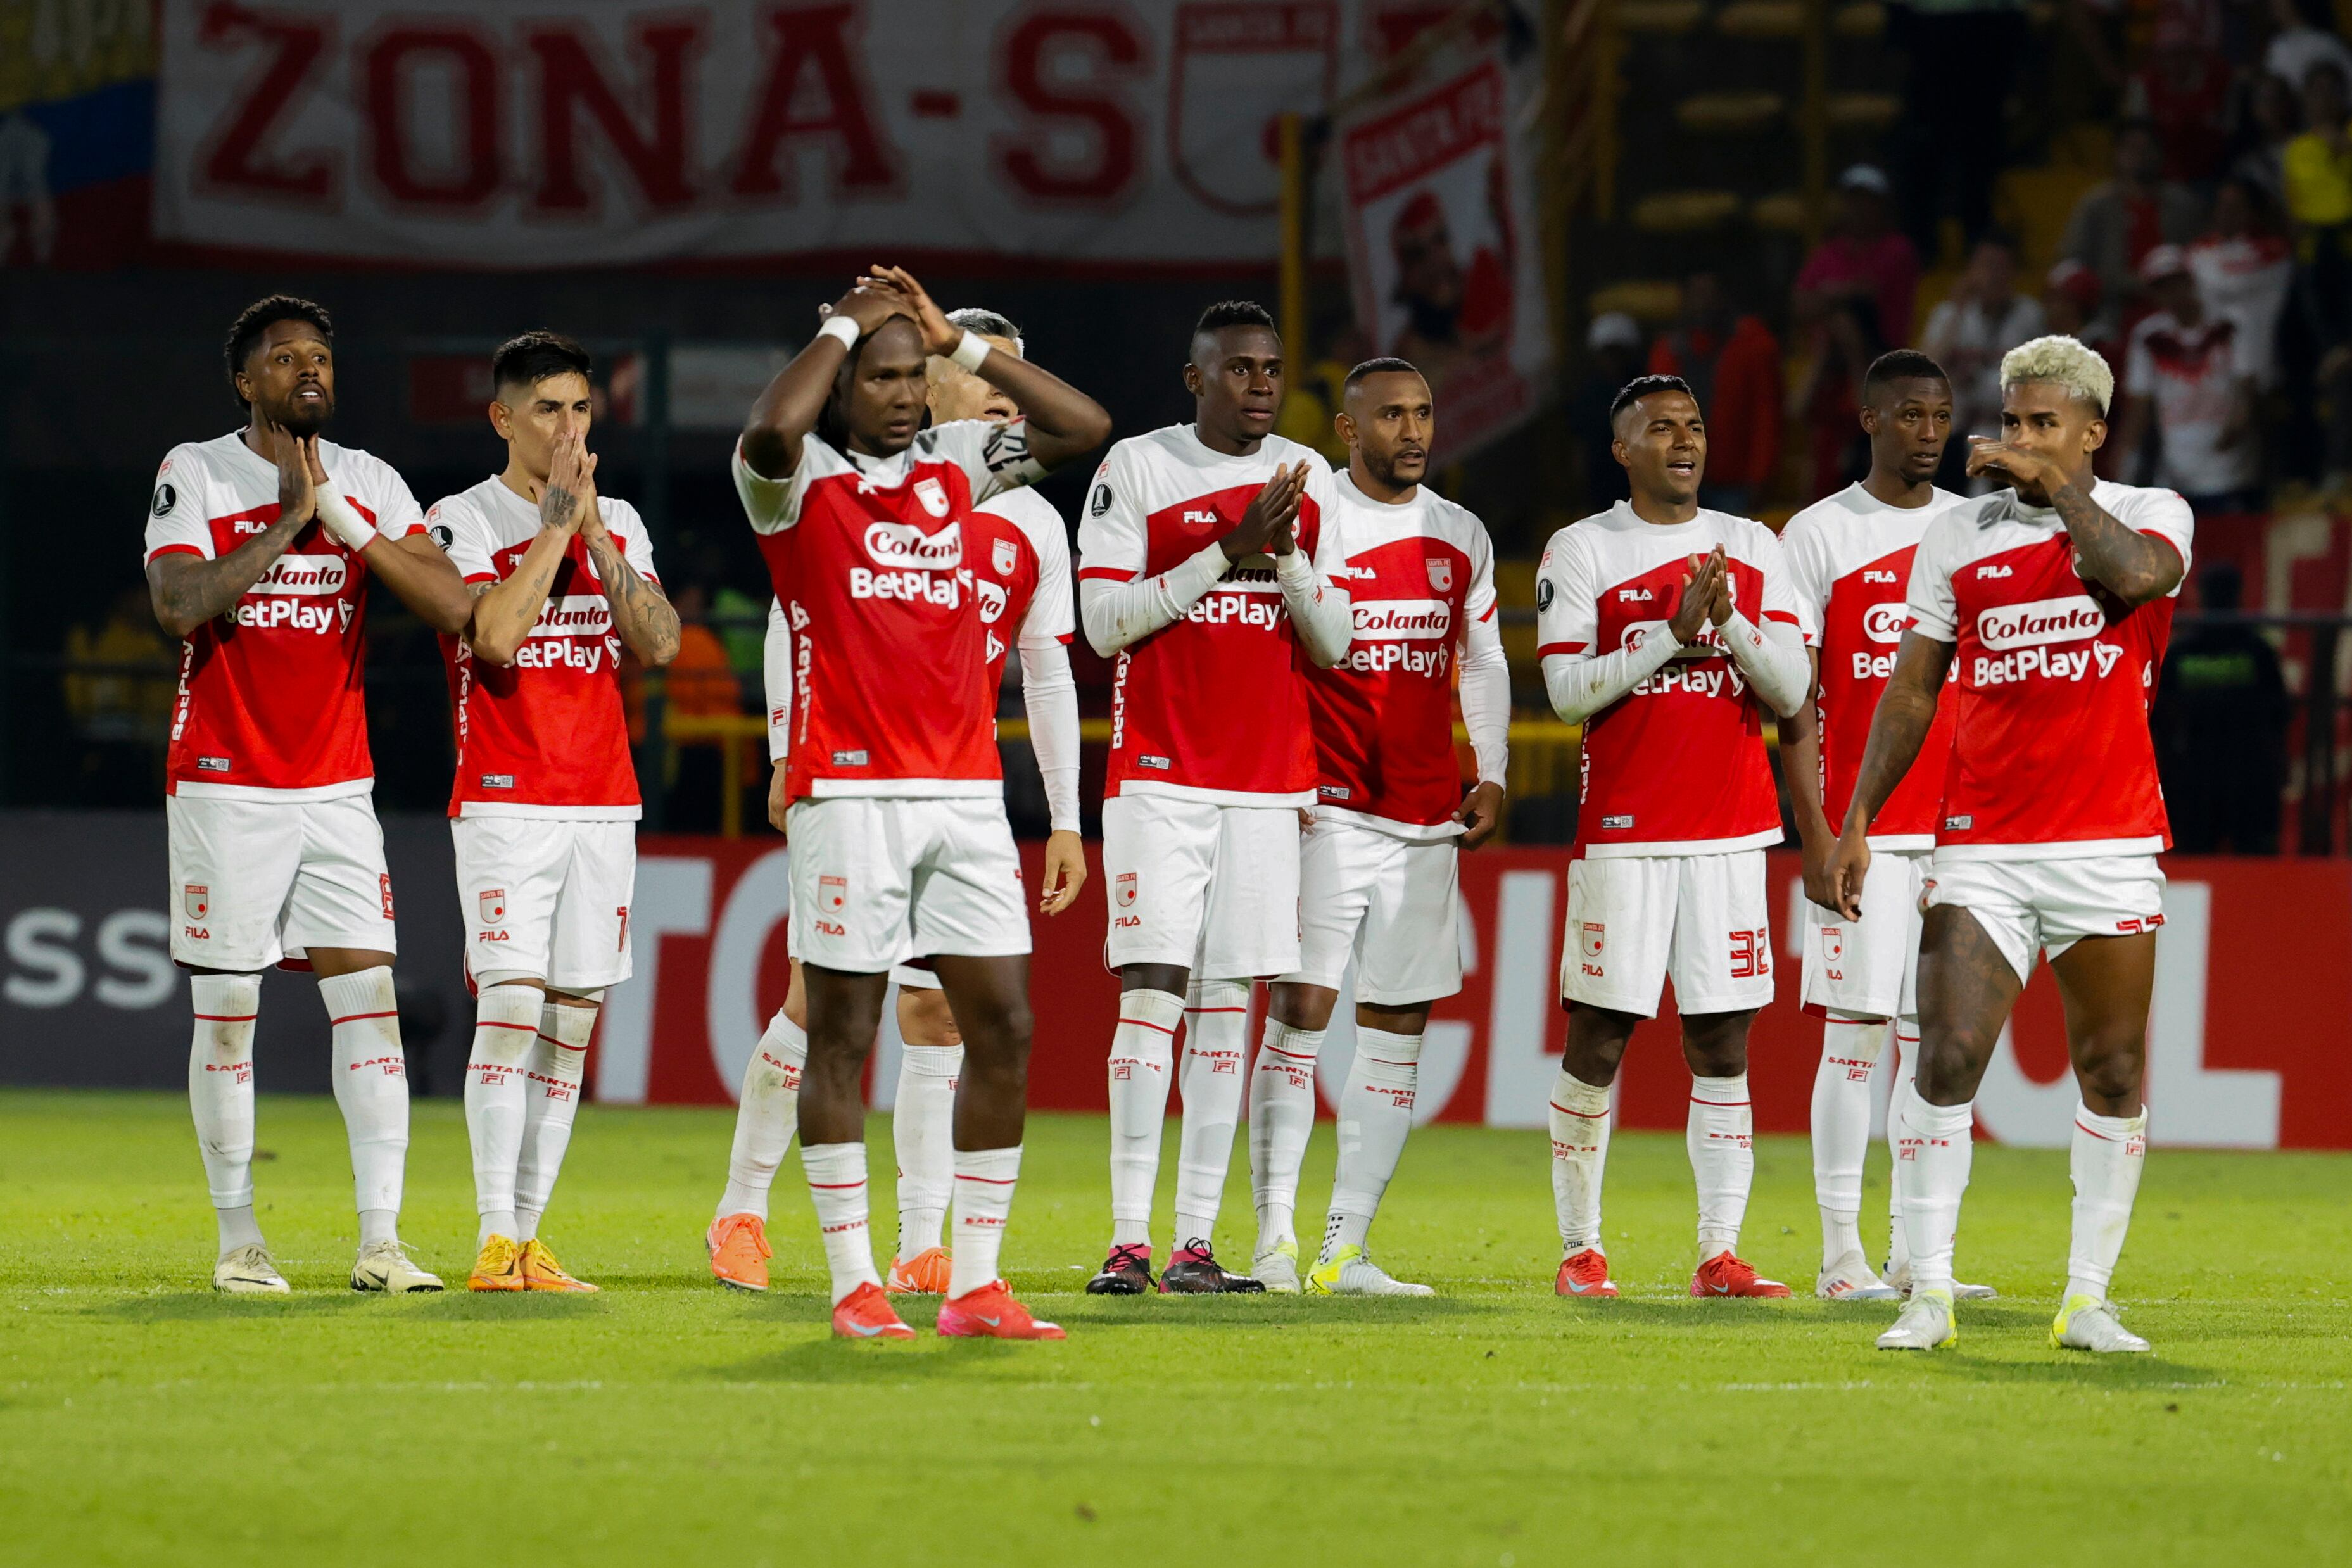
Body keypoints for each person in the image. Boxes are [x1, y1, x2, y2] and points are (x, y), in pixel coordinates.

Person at [731, 267, 1111, 1340]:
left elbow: (1083, 425)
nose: (904, 396)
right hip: (849, 792)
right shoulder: (792, 479)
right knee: (842, 1033)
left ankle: (973, 1283)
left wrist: (962, 344)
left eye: (914, 378)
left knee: (1003, 1026)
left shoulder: (959, 464)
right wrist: (847, 325)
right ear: (843, 384)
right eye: (883, 378)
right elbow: (767, 430)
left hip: (964, 797)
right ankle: (855, 1282)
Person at [1830, 335, 2191, 1354]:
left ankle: (2085, 1299)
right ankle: (1929, 1291)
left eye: (2043, 424)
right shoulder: (1955, 536)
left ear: (2091, 432)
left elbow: (2135, 576)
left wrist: (2055, 490)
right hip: (1979, 842)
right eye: (2014, 420)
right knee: (1941, 1058)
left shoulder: (2153, 512)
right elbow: (1911, 686)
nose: (2019, 439)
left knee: (2112, 1073)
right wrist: (1858, 818)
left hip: (2107, 842)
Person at [144, 295, 472, 1294]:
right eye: (285, 359)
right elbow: (178, 605)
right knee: (230, 1006)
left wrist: (336, 509)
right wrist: (289, 516)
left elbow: (449, 603)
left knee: (369, 1001)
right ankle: (239, 1240)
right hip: (225, 779)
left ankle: (382, 1242)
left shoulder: (368, 477)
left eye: (321, 356)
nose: (310, 371)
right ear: (245, 382)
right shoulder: (193, 470)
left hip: (336, 784)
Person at [1077, 300, 1351, 1296]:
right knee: (1153, 991)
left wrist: (1279, 556)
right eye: (1238, 368)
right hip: (1159, 773)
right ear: (1195, 380)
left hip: (1269, 784)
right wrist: (1221, 550)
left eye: (1272, 367)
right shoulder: (1138, 468)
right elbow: (1103, 623)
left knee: (1229, 1001)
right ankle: (1125, 1240)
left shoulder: (1310, 479)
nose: (1261, 384)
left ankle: (1193, 1243)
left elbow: (1337, 642)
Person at [1533, 375, 1811, 1300]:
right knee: (1600, 1037)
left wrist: (1725, 622)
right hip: (1625, 830)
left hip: (1732, 831)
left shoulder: (1750, 545)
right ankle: (1580, 1249)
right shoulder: (1582, 549)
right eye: (1659, 428)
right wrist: (1668, 633)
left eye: (1693, 424)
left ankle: (1718, 1254)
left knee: (1723, 1043)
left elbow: (1791, 689)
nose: (1683, 440)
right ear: (1622, 449)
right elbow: (1568, 691)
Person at [1242, 358, 1510, 1296]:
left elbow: (1480, 661)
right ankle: (1271, 1241)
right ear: (1348, 431)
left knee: (1395, 1030)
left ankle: (1342, 1250)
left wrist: (1494, 768)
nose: (1413, 431)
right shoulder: (1312, 513)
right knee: (1300, 1014)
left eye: (1424, 413)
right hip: (1324, 806)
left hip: (1424, 817)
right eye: (1390, 416)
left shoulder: (1459, 531)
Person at [430, 331, 681, 1294]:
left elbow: (656, 642)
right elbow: (492, 636)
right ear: (503, 418)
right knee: (512, 1009)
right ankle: (494, 1237)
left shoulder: (615, 517)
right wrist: (550, 529)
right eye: (547, 408)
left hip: (602, 804)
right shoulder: (456, 518)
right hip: (503, 802)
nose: (568, 426)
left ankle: (531, 1242)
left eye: (580, 408)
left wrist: (596, 535)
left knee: (571, 1024)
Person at [1779, 351, 1992, 1304]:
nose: (1928, 430)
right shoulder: (1820, 534)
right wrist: (1819, 830)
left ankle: (1918, 1258)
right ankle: (1838, 1259)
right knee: (1854, 1037)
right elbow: (1793, 704)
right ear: (1865, 418)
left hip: (1962, 832)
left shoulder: (1978, 525)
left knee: (1937, 1044)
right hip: (1865, 833)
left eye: (1941, 414)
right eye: (1908, 413)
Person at [2154, 561, 2290, 852]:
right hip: (2217, 775)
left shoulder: (2183, 652)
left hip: (2215, 775)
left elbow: (2278, 712)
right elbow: (2280, 713)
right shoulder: (2257, 650)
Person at [2115, 245, 2261, 511]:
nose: (2173, 293)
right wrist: (2124, 465)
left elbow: (2247, 383)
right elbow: (2138, 405)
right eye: (2163, 287)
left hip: (2231, 468)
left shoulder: (2230, 324)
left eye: (2178, 282)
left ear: (2191, 280)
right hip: (2177, 474)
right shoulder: (2149, 337)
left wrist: (2240, 418)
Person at [1888, 0, 2029, 257]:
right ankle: (1923, 246)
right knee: (1926, 151)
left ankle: (1976, 240)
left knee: (1980, 152)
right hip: (1931, 41)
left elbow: (2016, 17)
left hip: (1987, 38)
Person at [1647, 274, 1784, 514]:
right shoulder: (1668, 350)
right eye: (1696, 294)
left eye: (1709, 294)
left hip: (1734, 482)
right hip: (1677, 478)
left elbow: (1766, 416)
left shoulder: (1753, 346)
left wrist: (1760, 476)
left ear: (1723, 297)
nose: (1703, 302)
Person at [1923, 236, 2047, 486]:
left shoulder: (2029, 315)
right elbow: (1925, 370)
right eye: (1987, 266)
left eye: (2002, 267)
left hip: (2007, 436)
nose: (1994, 276)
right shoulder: (1948, 315)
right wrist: (1958, 308)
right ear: (1971, 271)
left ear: (2014, 272)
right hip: (1955, 436)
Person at [2061, 120, 2207, 319]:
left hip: (2175, 314)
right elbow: (2072, 264)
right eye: (2131, 148)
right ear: (2117, 154)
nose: (2140, 155)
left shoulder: (2182, 204)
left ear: (2160, 153)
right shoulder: (2096, 206)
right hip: (2112, 313)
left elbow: (2202, 258)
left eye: (2147, 148)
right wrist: (2131, 284)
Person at [1795, 165, 1923, 352]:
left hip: (1883, 352)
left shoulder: (1897, 250)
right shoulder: (1829, 251)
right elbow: (1800, 304)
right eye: (1853, 200)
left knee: (1845, 319)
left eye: (1867, 201)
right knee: (1837, 321)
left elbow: (1869, 292)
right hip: (1830, 352)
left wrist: (1832, 293)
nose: (1858, 208)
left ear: (1882, 206)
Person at [2188, 177, 2294, 393]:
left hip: (2265, 365)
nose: (2228, 213)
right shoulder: (2196, 254)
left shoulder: (2274, 254)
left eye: (2237, 207)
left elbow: (2233, 284)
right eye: (2223, 206)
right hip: (2210, 371)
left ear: (2253, 211)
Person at [1572, 313, 1647, 510]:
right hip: (1601, 487)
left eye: (1618, 353)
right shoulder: (1589, 393)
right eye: (1608, 353)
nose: (1613, 360)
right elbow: (1580, 443)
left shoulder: (1645, 390)